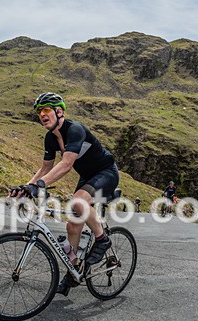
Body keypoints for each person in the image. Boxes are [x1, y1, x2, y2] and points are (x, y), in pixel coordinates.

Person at [10, 92, 119, 296]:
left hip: (106, 173)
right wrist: (26, 186)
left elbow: (67, 165)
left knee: (78, 202)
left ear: (59, 111)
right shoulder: (50, 138)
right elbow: (45, 168)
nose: (41, 114)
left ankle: (102, 238)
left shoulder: (75, 129)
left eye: (46, 110)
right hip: (87, 176)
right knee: (72, 224)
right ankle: (74, 270)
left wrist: (40, 185)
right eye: (39, 111)